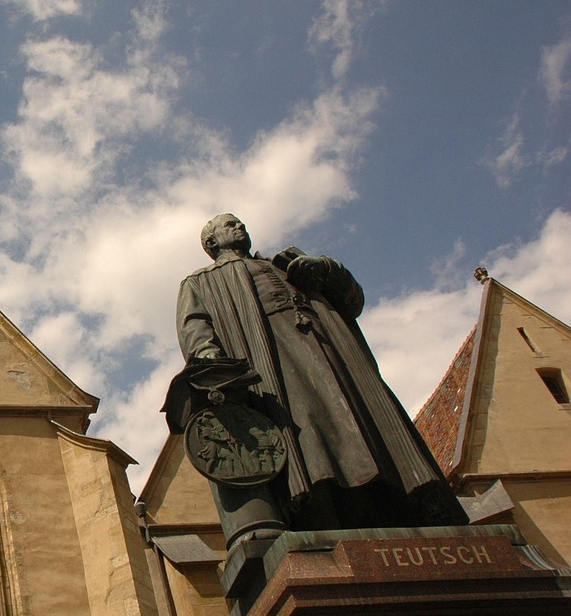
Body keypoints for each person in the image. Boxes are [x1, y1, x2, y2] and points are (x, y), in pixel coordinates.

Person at [176, 214, 466, 531]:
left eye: (240, 222)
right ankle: (322, 509)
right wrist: (213, 364)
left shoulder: (287, 264)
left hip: (334, 356)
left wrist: (326, 268)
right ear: (212, 242)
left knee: (367, 428)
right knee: (309, 436)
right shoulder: (200, 282)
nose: (240, 227)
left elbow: (352, 302)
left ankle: (395, 501)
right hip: (274, 366)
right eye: (230, 225)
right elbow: (196, 333)